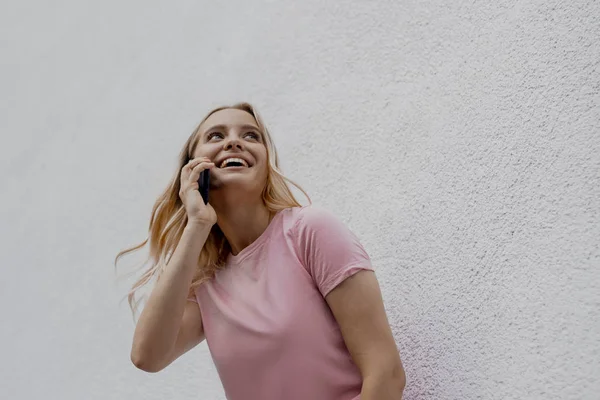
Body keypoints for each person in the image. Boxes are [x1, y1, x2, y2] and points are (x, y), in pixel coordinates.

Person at [115, 102, 406, 399]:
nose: (233, 141)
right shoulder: (207, 283)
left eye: (251, 136)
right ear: (191, 169)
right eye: (215, 136)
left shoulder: (309, 232)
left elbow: (386, 374)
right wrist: (196, 227)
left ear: (266, 164)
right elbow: (147, 356)